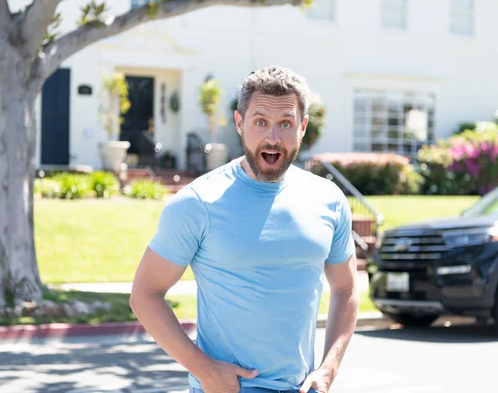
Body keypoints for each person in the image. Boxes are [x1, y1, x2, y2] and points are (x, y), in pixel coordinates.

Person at [129, 66, 359, 393]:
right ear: (240, 123)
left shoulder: (329, 200)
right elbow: (145, 295)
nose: (273, 138)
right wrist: (204, 370)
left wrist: (328, 369)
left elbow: (346, 289)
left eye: (286, 124)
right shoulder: (197, 203)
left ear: (303, 127)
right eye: (260, 122)